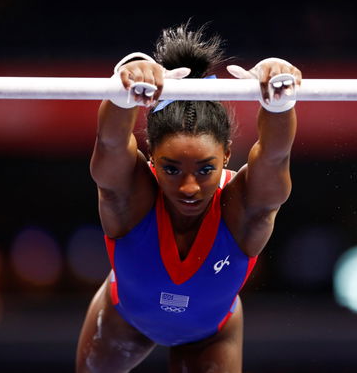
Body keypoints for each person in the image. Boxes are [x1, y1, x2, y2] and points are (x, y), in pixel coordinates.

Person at [76, 22, 301, 373]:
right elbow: (110, 143)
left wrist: (278, 101)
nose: (189, 188)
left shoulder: (244, 209)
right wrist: (127, 74)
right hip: (123, 320)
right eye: (171, 170)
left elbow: (274, 155)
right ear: (150, 154)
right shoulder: (131, 197)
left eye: (204, 169)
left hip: (211, 335)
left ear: (227, 155)